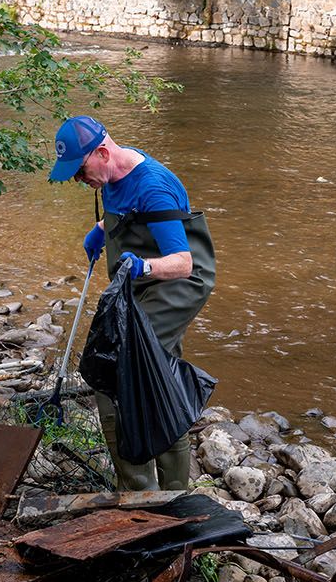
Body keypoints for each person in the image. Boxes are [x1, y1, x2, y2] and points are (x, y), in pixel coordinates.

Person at [49, 115, 216, 491]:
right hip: (142, 284)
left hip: (176, 284)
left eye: (79, 171)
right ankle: (170, 493)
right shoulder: (112, 172)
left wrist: (141, 266)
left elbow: (183, 263)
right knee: (158, 380)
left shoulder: (153, 187)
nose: (77, 180)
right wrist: (100, 231)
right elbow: (124, 210)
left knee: (121, 372)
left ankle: (144, 494)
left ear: (103, 152)